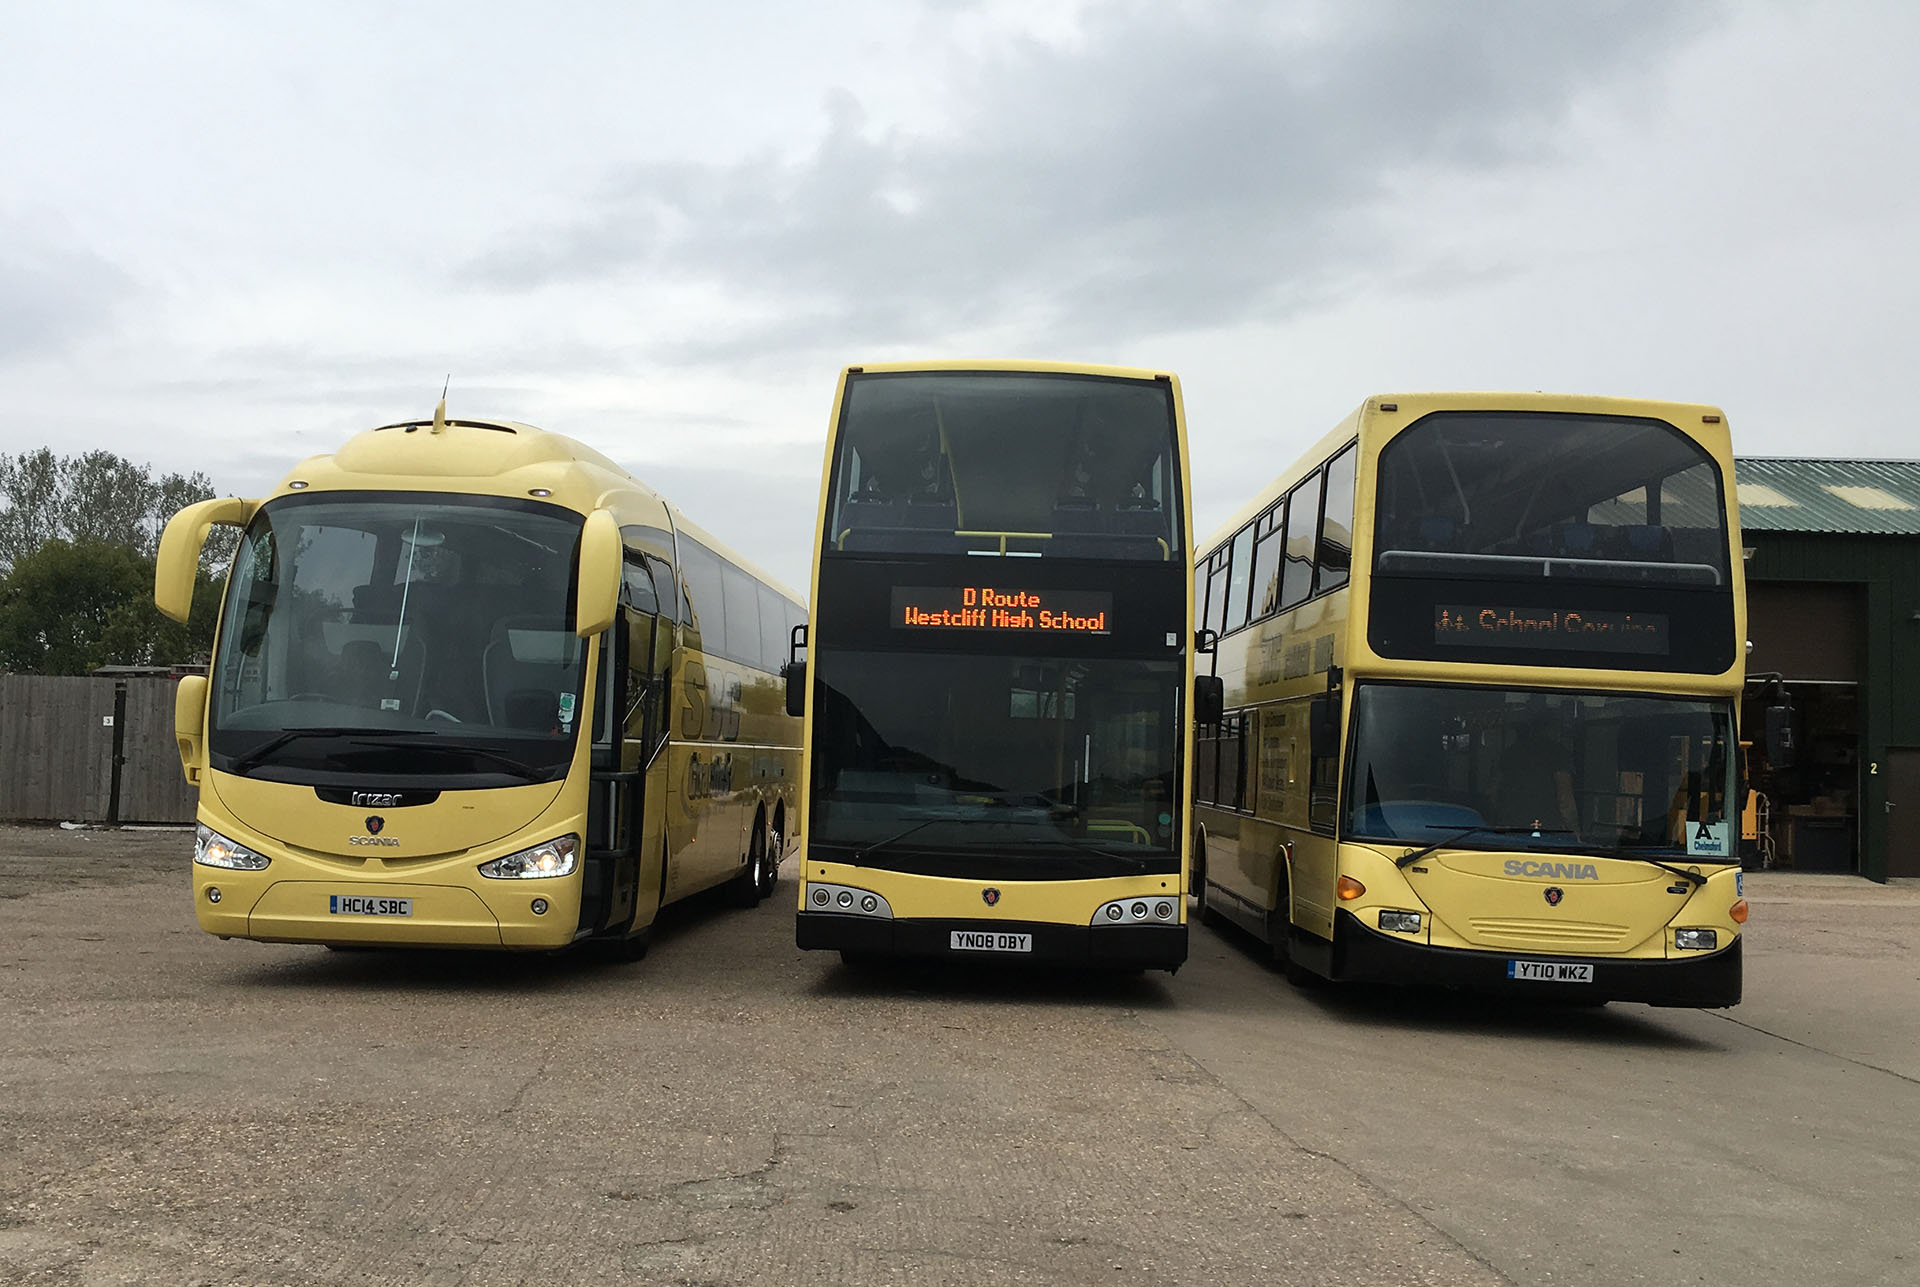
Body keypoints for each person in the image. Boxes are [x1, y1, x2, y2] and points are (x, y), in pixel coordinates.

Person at [1493, 714, 1580, 836]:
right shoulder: (1558, 753)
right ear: (1552, 730)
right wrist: (1575, 831)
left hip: (1508, 828)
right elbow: (1564, 799)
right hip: (1546, 830)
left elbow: (1494, 790)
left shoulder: (1511, 752)